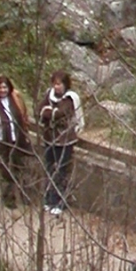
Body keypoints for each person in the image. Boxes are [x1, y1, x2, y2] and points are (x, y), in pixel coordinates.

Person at [0, 76, 32, 206]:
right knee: (5, 171)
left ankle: (25, 197)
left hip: (17, 139)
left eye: (5, 87)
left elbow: (24, 115)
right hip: (0, 140)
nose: (3, 90)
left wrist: (25, 132)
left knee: (21, 168)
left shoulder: (16, 98)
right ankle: (9, 199)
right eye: (0, 87)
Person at [37, 70, 82, 216]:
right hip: (49, 139)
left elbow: (62, 114)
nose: (57, 87)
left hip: (65, 141)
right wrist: (48, 112)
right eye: (55, 84)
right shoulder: (48, 95)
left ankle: (60, 202)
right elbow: (39, 110)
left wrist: (49, 113)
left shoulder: (70, 98)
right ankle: (49, 199)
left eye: (60, 84)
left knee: (62, 172)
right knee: (49, 169)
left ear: (65, 85)